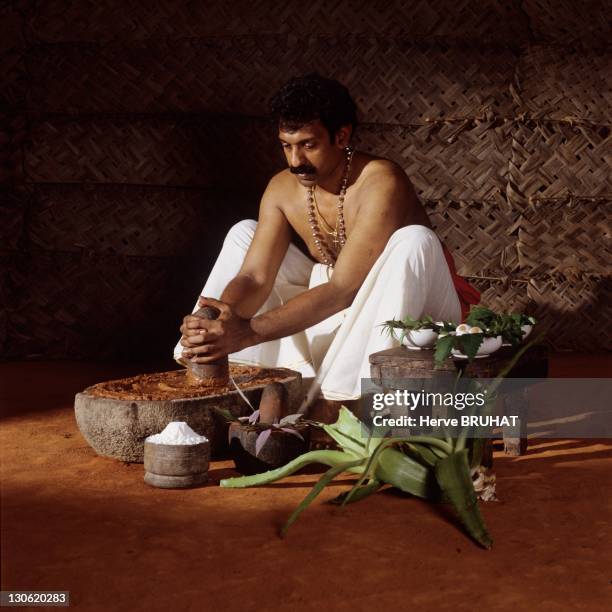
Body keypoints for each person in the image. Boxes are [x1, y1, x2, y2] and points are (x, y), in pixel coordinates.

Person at [175, 73, 479, 410]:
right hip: (337, 304)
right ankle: (217, 362)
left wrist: (249, 332)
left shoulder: (380, 181)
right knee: (243, 232)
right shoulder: (281, 188)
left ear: (341, 135)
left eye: (308, 144)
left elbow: (344, 288)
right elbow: (255, 277)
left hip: (411, 310)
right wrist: (221, 319)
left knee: (415, 240)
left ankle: (361, 397)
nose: (295, 161)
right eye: (286, 146)